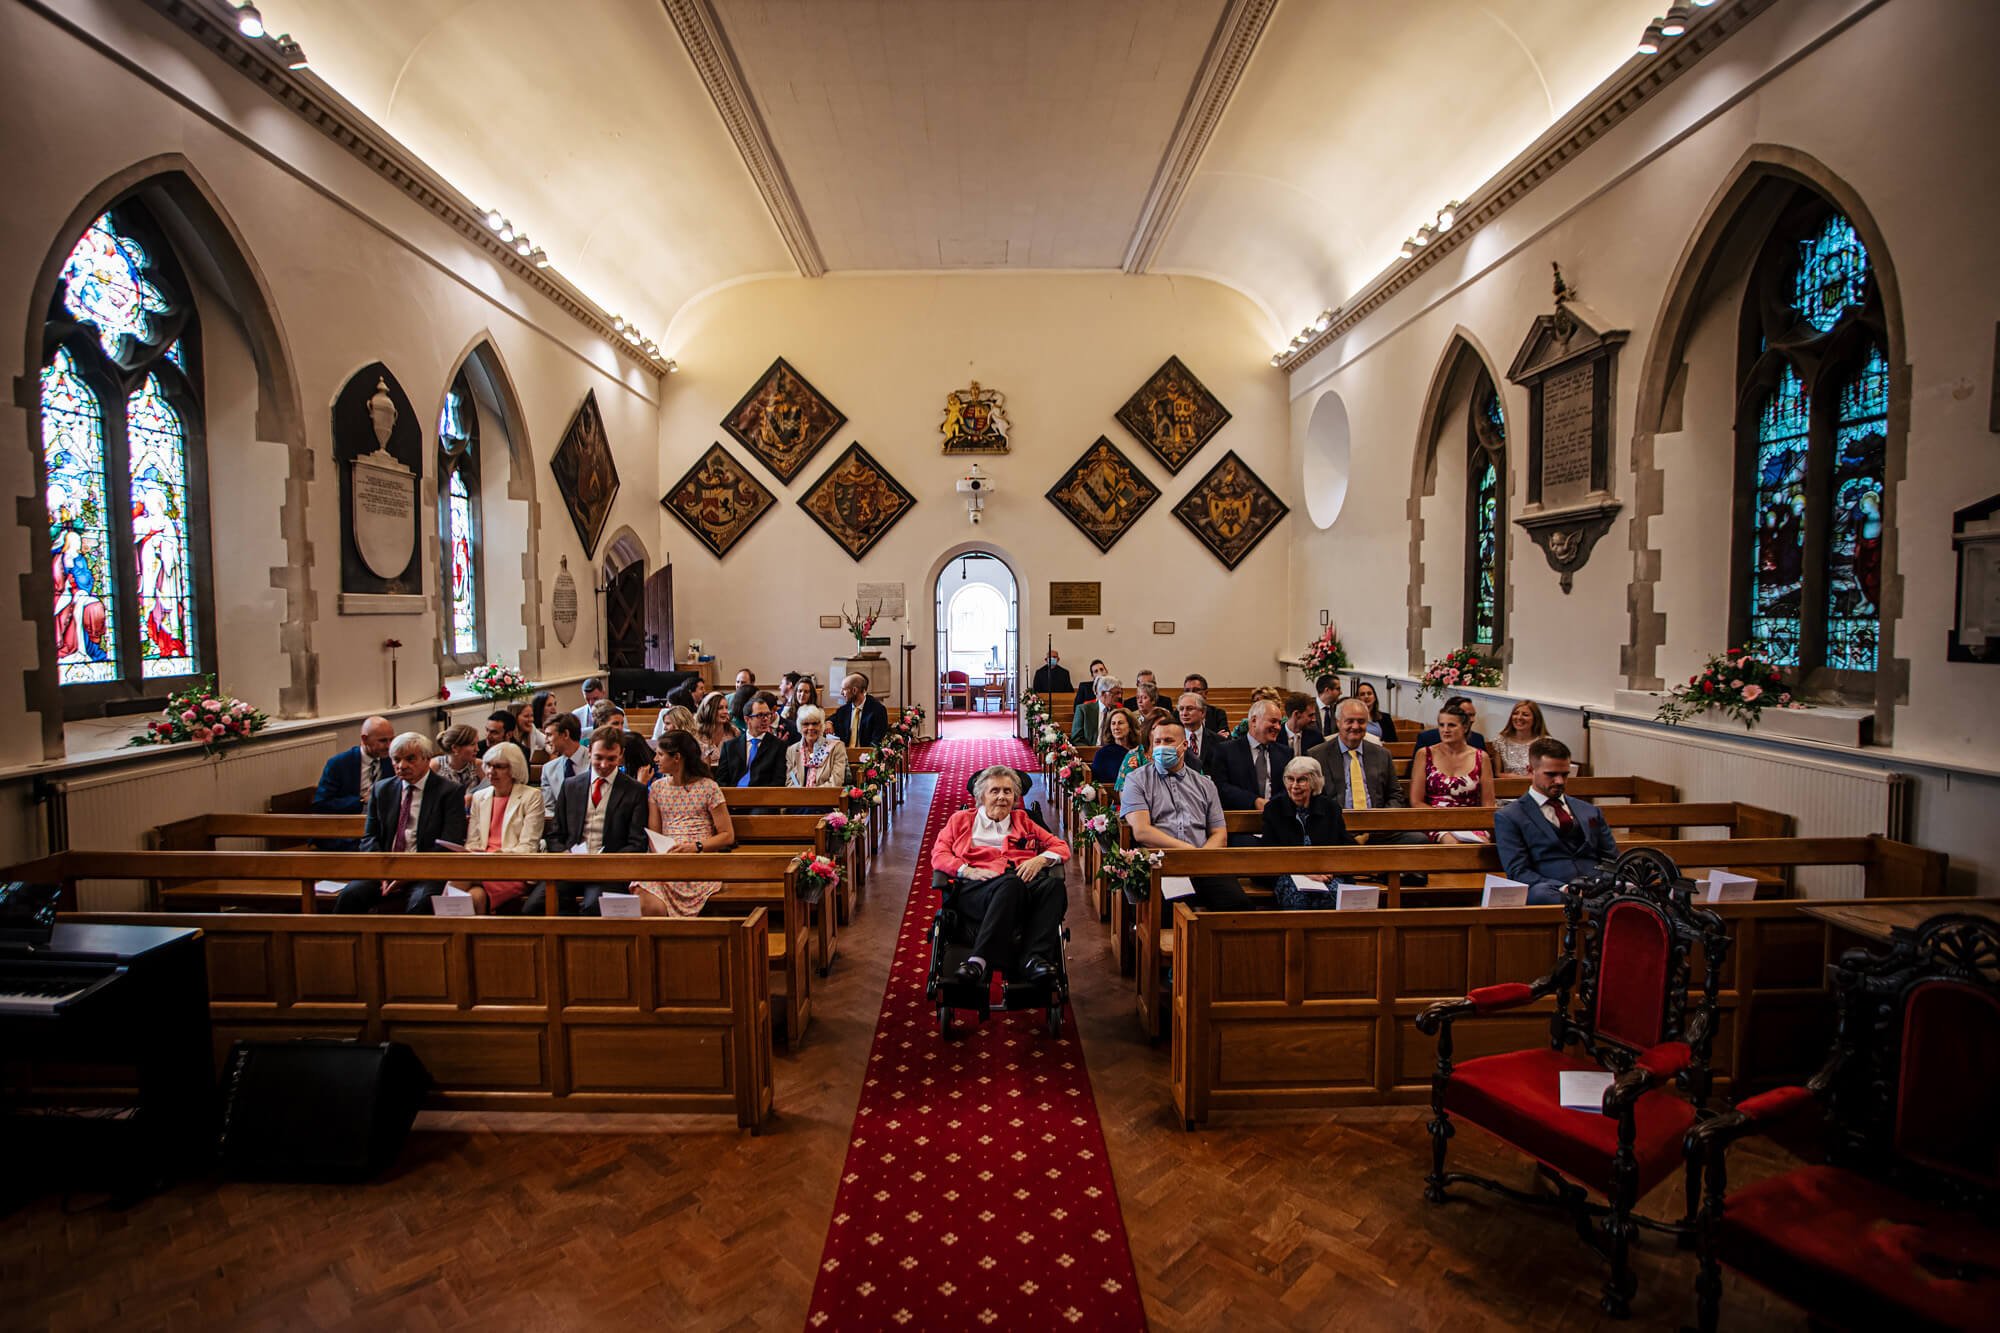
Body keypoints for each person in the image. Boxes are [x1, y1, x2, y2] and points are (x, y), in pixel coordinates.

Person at [933, 765, 1071, 986]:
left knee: (1053, 886)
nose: (1001, 797)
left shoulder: (1024, 820)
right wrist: (966, 870)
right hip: (977, 890)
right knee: (1011, 883)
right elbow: (939, 854)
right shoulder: (960, 820)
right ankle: (979, 960)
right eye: (994, 791)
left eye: (1007, 791)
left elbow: (1061, 847)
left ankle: (1033, 958)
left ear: (1015, 796)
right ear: (981, 796)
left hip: (1019, 888)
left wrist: (1040, 859)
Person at [333, 731, 468, 914]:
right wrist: (383, 871)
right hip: (385, 869)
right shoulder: (382, 789)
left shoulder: (449, 792)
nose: (402, 766)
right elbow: (370, 837)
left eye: (410, 759)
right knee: (350, 896)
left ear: (427, 759)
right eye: (396, 760)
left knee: (421, 904)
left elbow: (449, 843)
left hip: (427, 871)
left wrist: (409, 873)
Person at [1119, 719, 1247, 910]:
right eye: (1157, 742)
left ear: (1184, 745)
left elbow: (1219, 833)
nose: (1162, 746)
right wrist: (1188, 853)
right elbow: (1142, 831)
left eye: (1168, 741)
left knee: (1238, 904)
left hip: (1205, 863)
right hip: (1163, 863)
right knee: (1174, 907)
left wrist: (1199, 859)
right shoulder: (1137, 780)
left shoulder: (1204, 784)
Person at [528, 729, 649, 914]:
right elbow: (555, 834)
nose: (604, 764)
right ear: (590, 750)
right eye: (599, 757)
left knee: (594, 907)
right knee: (535, 906)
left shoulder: (635, 790)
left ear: (621, 755)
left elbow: (637, 843)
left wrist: (605, 860)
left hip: (609, 871)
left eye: (611, 758)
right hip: (570, 867)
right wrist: (565, 853)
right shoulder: (571, 786)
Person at [1495, 737, 1618, 905]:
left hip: (1596, 885)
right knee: (1539, 894)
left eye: (1564, 774)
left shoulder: (1589, 811)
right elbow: (1518, 872)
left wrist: (1601, 883)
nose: (1559, 781)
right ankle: (1594, 906)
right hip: (1552, 888)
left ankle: (1599, 904)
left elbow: (1611, 858)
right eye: (1551, 774)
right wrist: (1565, 888)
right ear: (1530, 770)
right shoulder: (1510, 816)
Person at [633, 729, 737, 917]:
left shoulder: (708, 787)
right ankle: (663, 939)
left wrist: (696, 847)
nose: (655, 759)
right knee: (641, 892)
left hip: (699, 856)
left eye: (660, 754)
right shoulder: (657, 788)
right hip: (667, 857)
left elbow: (727, 835)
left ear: (677, 757)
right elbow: (654, 833)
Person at [451, 742, 545, 914]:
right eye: (488, 765)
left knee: (457, 880)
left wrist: (495, 856)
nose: (491, 771)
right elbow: (472, 842)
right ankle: (474, 939)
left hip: (513, 869)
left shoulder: (531, 796)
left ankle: (439, 928)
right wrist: (477, 855)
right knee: (475, 897)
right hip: (480, 867)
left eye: (499, 767)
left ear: (513, 770)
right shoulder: (479, 797)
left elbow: (528, 847)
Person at [1261, 756, 1356, 909]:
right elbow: (1269, 853)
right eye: (1290, 779)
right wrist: (1303, 872)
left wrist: (1332, 870)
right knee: (1299, 899)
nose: (1294, 786)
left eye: (1301, 780)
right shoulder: (1274, 809)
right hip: (1288, 873)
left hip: (1327, 875)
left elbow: (1345, 846)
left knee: (1333, 897)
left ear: (1314, 782)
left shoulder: (1330, 808)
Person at [1410, 704, 1495, 841]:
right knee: (1451, 842)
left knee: (1483, 845)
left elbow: (1488, 804)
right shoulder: (1425, 754)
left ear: (1465, 727)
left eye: (1451, 725)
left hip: (1469, 820)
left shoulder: (1481, 757)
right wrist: (1446, 819)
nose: (1445, 730)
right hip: (1433, 819)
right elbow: (1416, 801)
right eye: (1441, 725)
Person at [313, 714, 395, 848]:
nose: (389, 746)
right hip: (345, 829)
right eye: (383, 741)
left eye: (392, 740)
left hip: (381, 827)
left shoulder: (392, 761)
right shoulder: (339, 764)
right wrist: (361, 800)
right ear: (365, 739)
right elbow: (322, 805)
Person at [1211, 698, 1289, 810]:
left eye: (1279, 723)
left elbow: (1289, 787)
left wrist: (1272, 805)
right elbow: (1220, 786)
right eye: (1273, 721)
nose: (1278, 727)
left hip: (1277, 817)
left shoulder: (1285, 753)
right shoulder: (1226, 750)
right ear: (1253, 721)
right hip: (1239, 818)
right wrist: (1254, 801)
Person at [717, 691, 786, 787]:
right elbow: (721, 780)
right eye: (760, 715)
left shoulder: (778, 746)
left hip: (764, 798)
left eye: (768, 714)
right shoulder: (729, 747)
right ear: (747, 719)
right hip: (734, 798)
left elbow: (778, 781)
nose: (766, 719)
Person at [787, 704, 849, 786]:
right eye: (806, 724)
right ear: (800, 727)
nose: (810, 728)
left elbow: (836, 781)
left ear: (821, 726)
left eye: (815, 723)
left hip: (827, 797)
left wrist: (812, 796)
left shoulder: (837, 747)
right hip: (798, 797)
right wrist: (800, 796)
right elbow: (791, 781)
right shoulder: (792, 750)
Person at [1115, 707, 1171, 792]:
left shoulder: (1177, 753)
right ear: (1147, 731)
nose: (1161, 733)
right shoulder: (1135, 756)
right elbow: (1125, 795)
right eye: (1155, 728)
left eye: (1165, 728)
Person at [1488, 699, 1550, 776]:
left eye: (1525, 715)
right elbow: (1497, 774)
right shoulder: (1500, 741)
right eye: (1515, 713)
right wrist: (1514, 778)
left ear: (1536, 719)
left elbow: (1548, 773)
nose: (1519, 717)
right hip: (1508, 785)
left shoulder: (1545, 743)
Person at [830, 672, 888, 749]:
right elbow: (833, 718)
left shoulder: (877, 710)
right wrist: (829, 722)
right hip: (843, 756)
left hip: (867, 757)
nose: (841, 693)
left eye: (844, 689)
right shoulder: (843, 710)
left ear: (854, 690)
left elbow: (876, 741)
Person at [540, 711, 584, 812]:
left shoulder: (594, 763)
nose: (546, 741)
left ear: (565, 734)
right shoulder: (548, 769)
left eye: (549, 735)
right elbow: (550, 808)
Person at [1412, 696, 1487, 751]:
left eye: (1473, 715)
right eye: (1468, 715)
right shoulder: (1427, 739)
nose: (1472, 720)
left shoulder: (1477, 739)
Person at [1176, 691, 1226, 772]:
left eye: (1190, 709)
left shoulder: (1219, 741)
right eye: (1181, 709)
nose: (1184, 713)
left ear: (1203, 712)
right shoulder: (1174, 741)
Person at [1092, 707, 1138, 786]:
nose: (1116, 727)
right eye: (1113, 723)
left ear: (1130, 727)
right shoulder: (1102, 754)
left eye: (1120, 723)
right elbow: (1096, 784)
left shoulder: (1139, 751)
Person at [1072, 673, 1122, 745]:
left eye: (1120, 693)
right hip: (1088, 752)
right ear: (1103, 693)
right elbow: (1076, 739)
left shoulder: (1118, 712)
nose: (1119, 696)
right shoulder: (1083, 710)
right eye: (1116, 693)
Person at [431, 724, 482, 789]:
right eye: (472, 744)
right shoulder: (435, 765)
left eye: (477, 743)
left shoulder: (479, 765)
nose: (477, 749)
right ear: (455, 748)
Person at [693, 690, 735, 768]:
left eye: (726, 707)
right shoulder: (696, 734)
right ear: (708, 710)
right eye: (720, 708)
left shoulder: (733, 732)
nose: (725, 711)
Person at [1281, 691, 1324, 759]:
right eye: (1310, 715)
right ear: (1296, 714)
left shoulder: (1316, 737)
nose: (1314, 719)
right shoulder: (1276, 736)